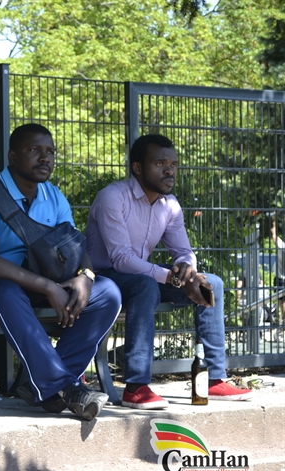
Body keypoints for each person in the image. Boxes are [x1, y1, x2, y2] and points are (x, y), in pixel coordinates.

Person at [0, 123, 122, 422]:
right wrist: (48, 287)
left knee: (107, 292)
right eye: (34, 150)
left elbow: (76, 249)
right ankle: (65, 387)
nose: (45, 158)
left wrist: (86, 277)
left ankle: (49, 386)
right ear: (13, 157)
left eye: (50, 152)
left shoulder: (54, 196)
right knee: (6, 290)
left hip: (33, 285)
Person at [85, 134, 253, 409]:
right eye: (160, 163)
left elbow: (183, 251)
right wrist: (172, 277)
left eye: (173, 164)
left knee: (212, 284)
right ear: (138, 168)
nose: (169, 170)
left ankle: (213, 379)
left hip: (139, 276)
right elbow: (122, 259)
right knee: (145, 285)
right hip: (102, 278)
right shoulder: (113, 197)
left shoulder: (170, 205)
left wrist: (188, 271)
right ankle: (136, 386)